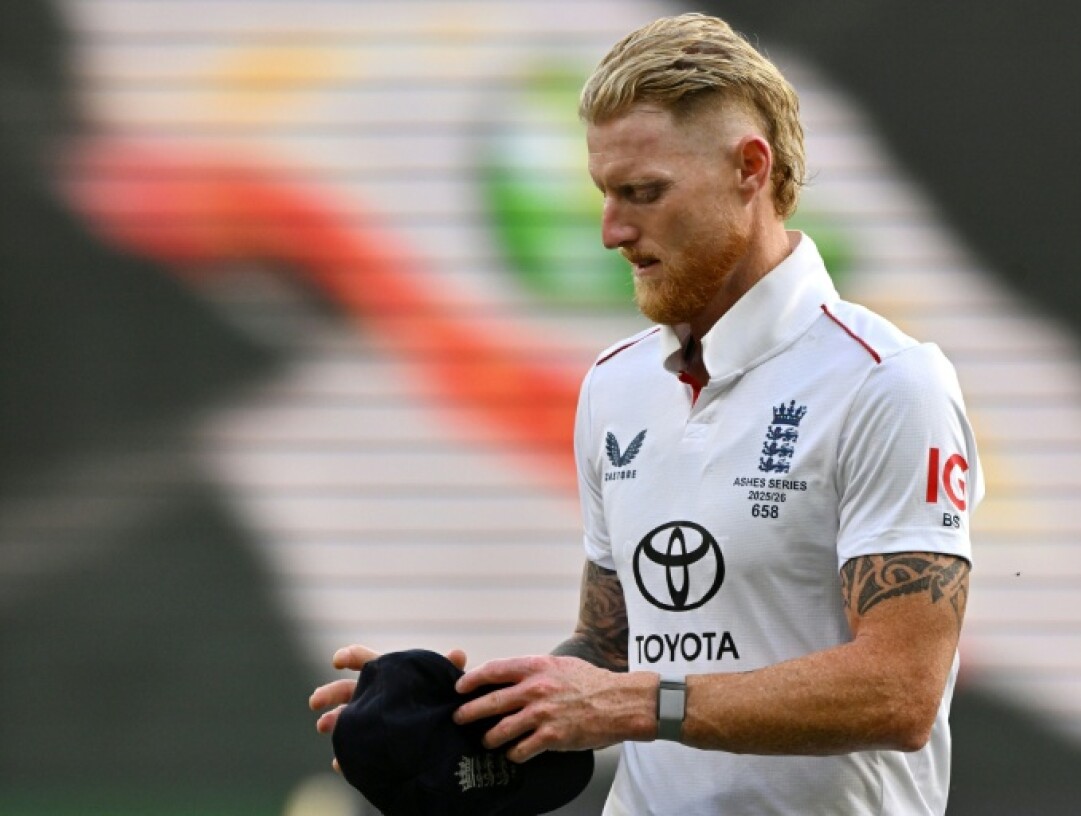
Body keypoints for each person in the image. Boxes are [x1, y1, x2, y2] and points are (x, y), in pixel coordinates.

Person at [310, 12, 983, 815]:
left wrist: (638, 704)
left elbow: (900, 694)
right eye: (604, 193)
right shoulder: (614, 385)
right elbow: (615, 647)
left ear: (749, 168)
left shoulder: (889, 383)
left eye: (643, 193)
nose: (611, 231)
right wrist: (471, 718)